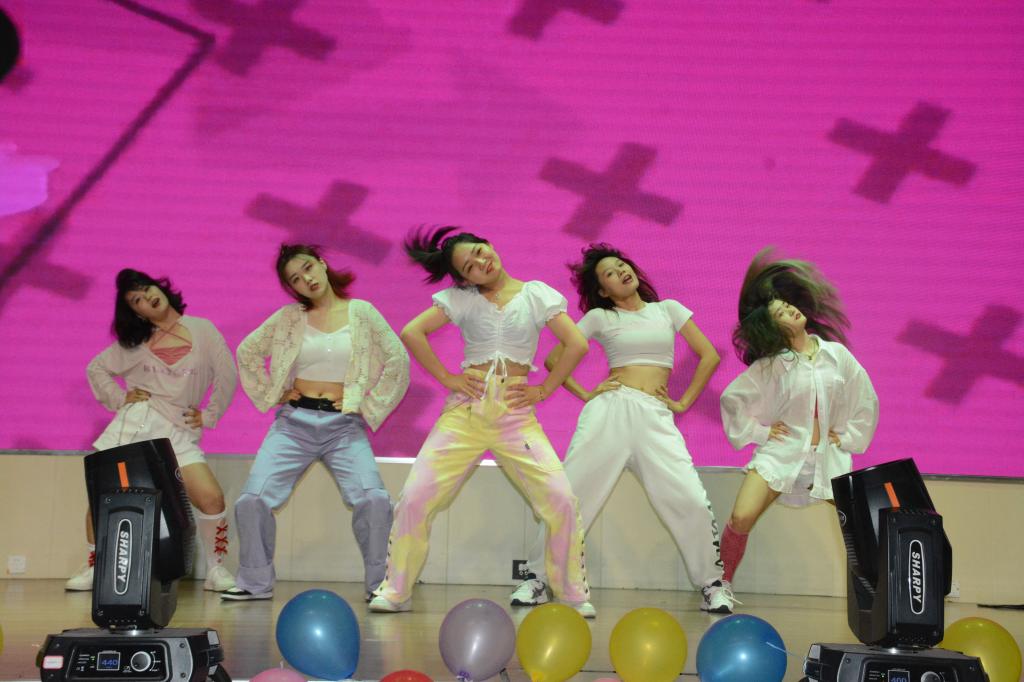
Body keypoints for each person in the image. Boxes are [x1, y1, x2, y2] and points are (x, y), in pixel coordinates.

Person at [368, 226, 594, 616]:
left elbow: (577, 344)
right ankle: (395, 591)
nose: (480, 263)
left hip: (515, 413)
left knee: (560, 498)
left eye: (478, 252)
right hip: (466, 411)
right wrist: (447, 378)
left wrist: (543, 389)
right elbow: (412, 332)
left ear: (489, 244)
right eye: (468, 266)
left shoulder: (536, 294)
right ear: (464, 278)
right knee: (416, 496)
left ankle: (572, 594)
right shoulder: (462, 300)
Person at [510, 243, 735, 613]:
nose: (621, 272)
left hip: (655, 416)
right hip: (610, 411)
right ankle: (537, 578)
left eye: (621, 265)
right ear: (603, 290)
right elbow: (554, 359)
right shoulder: (601, 317)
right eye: (610, 273)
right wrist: (587, 394)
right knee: (572, 495)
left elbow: (708, 355)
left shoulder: (668, 310)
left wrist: (682, 403)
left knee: (690, 499)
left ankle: (712, 584)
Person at [222, 244, 409, 601]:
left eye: (308, 268)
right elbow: (247, 351)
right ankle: (255, 583)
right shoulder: (289, 318)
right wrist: (274, 392)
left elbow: (398, 360)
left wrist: (365, 404)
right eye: (295, 279)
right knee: (251, 500)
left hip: (344, 427)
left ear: (322, 264)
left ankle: (380, 587)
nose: (305, 279)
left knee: (374, 500)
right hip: (293, 424)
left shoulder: (362, 312)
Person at [67, 268, 238, 592]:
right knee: (104, 496)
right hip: (135, 426)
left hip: (178, 432)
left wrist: (210, 414)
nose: (147, 298)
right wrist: (120, 398)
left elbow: (226, 373)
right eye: (137, 300)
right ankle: (94, 566)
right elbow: (97, 368)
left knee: (211, 498)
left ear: (160, 288)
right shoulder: (134, 345)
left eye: (146, 290)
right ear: (137, 313)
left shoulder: (203, 330)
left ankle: (216, 570)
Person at [718, 248, 879, 592]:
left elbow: (865, 397)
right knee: (741, 516)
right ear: (774, 328)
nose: (791, 309)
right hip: (783, 453)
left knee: (860, 526)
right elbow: (732, 399)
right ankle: (720, 585)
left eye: (788, 305)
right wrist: (761, 433)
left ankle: (875, 591)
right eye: (780, 312)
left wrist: (847, 437)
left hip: (828, 456)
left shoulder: (836, 355)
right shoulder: (772, 365)